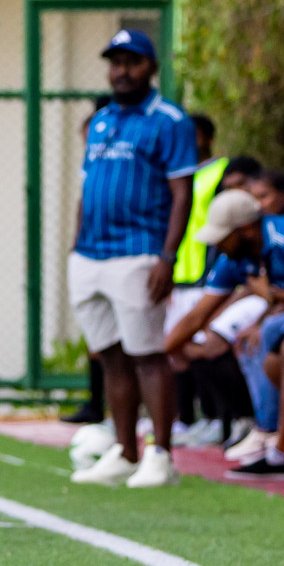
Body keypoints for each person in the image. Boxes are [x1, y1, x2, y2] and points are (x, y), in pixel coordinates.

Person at [67, 29, 197, 488]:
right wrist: (74, 244)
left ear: (151, 67)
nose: (122, 71)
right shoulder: (101, 120)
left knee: (148, 354)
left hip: (139, 252)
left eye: (132, 62)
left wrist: (167, 257)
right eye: (115, 62)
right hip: (90, 254)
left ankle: (161, 456)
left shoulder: (170, 120)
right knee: (110, 356)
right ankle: (124, 451)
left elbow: (183, 192)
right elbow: (87, 188)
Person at [166, 190, 284, 477]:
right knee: (273, 363)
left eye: (223, 236)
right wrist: (160, 356)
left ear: (246, 229)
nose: (218, 246)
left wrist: (272, 295)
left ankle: (280, 453)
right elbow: (198, 316)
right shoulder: (235, 257)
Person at [62, 95, 113, 425]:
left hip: (126, 254)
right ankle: (98, 406)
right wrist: (77, 244)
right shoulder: (93, 166)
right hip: (90, 254)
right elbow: (85, 201)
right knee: (98, 337)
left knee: (129, 346)